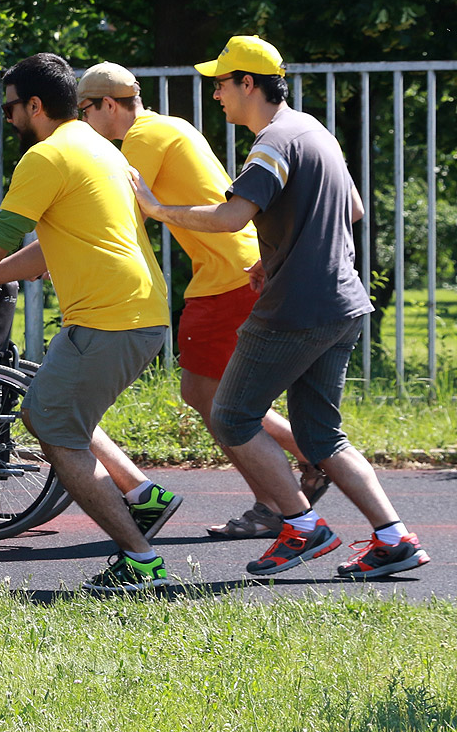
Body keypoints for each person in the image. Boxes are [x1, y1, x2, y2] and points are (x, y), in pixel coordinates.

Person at [129, 35, 430, 579]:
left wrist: (156, 207)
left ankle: (300, 524)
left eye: (221, 83)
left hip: (295, 310)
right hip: (344, 304)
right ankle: (395, 538)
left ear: (248, 83)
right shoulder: (314, 131)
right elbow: (354, 208)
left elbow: (230, 218)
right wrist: (283, 252)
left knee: (230, 414)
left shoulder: (270, 142)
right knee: (322, 437)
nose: (216, 94)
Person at [0, 52, 177, 593]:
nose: (7, 119)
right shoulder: (96, 147)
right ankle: (142, 500)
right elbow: (43, 252)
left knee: (51, 423)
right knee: (50, 416)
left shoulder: (47, 157)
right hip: (135, 313)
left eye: (10, 108)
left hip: (108, 318)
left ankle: (141, 560)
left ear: (36, 105)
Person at [76, 61, 329, 540]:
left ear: (108, 105)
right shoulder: (166, 127)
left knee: (214, 398)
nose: (83, 122)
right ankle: (303, 465)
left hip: (227, 275)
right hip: (229, 271)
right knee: (213, 395)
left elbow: (118, 216)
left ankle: (283, 494)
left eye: (84, 110)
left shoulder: (143, 140)